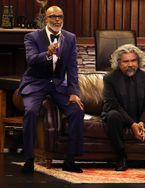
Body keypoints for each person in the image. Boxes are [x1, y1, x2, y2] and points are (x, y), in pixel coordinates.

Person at [19, 6, 84, 173]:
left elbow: (72, 68)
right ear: (45, 19)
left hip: (57, 84)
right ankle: (29, 159)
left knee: (77, 110)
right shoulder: (32, 37)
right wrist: (47, 54)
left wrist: (74, 92)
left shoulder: (69, 38)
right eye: (53, 16)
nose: (57, 20)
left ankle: (69, 160)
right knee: (31, 112)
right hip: (35, 82)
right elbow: (31, 60)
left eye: (60, 16)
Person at [102, 44, 145, 171]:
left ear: (138, 62)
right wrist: (132, 124)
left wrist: (142, 122)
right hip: (120, 116)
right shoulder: (110, 78)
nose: (130, 64)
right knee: (112, 115)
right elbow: (113, 105)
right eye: (126, 61)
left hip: (140, 116)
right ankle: (122, 156)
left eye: (133, 60)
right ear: (118, 63)